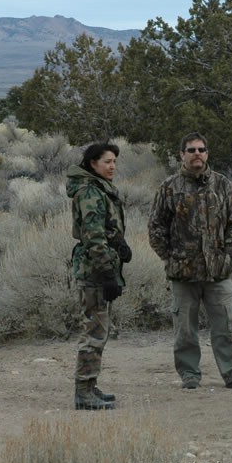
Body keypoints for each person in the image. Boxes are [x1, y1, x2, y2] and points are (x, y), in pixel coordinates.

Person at [148, 132, 232, 390]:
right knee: (185, 330)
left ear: (207, 153)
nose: (196, 154)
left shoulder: (222, 185)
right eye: (191, 150)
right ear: (182, 155)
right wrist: (170, 257)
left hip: (218, 273)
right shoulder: (169, 188)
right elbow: (156, 227)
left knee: (227, 326)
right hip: (182, 273)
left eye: (201, 149)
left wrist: (227, 254)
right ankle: (189, 375)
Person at [66, 141, 132, 410]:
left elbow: (105, 230)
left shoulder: (98, 189)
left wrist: (120, 246)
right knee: (94, 331)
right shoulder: (90, 192)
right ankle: (84, 391)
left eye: (114, 161)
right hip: (94, 271)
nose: (112, 166)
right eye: (107, 162)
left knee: (98, 329)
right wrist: (107, 273)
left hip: (98, 267)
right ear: (93, 163)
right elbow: (94, 237)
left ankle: (90, 385)